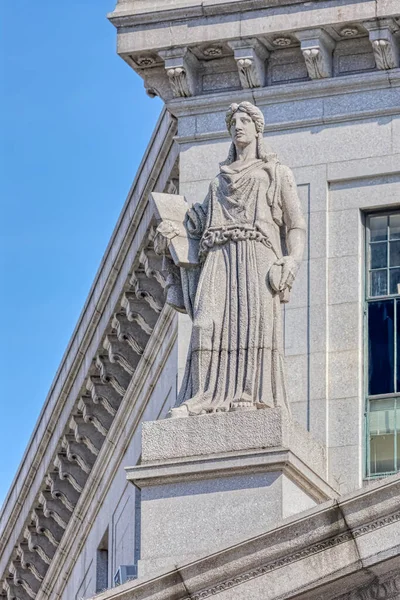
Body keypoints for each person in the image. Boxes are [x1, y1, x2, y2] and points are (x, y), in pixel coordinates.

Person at [170, 101, 306, 417]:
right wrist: (177, 224)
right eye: (233, 123)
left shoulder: (275, 174)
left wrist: (292, 260)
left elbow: (296, 224)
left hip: (258, 253)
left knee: (255, 324)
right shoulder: (217, 182)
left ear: (257, 129)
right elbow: (197, 223)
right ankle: (202, 396)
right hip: (219, 255)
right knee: (205, 322)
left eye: (244, 120)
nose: (238, 127)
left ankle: (252, 392)